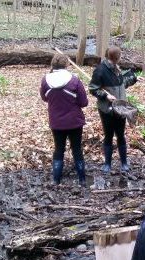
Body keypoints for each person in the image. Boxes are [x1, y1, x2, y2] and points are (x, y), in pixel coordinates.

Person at [40, 53, 88, 186]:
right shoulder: (74, 80)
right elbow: (84, 102)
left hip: (56, 122)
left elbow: (44, 98)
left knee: (59, 149)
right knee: (77, 149)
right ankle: (82, 180)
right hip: (74, 122)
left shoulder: (45, 80)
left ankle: (56, 180)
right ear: (67, 65)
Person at [89, 46, 138, 173]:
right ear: (117, 57)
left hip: (121, 108)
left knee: (121, 135)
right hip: (107, 110)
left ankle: (124, 163)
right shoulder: (100, 70)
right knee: (109, 136)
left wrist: (134, 78)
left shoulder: (117, 69)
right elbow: (93, 89)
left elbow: (121, 85)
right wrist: (105, 95)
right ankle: (107, 164)